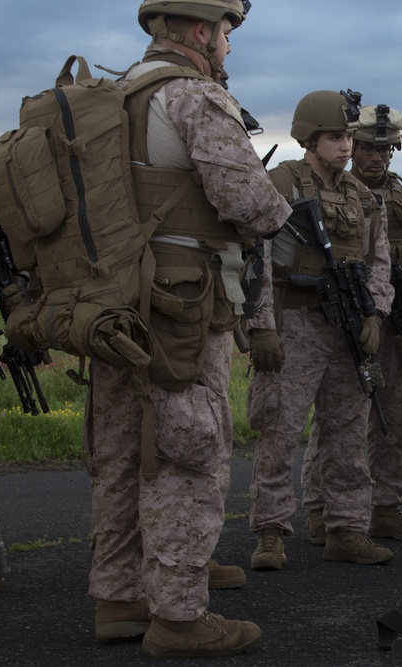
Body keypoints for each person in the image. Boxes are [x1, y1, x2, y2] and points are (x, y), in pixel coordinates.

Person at [89, 0, 291, 658]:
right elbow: (251, 203)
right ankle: (178, 613)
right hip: (180, 305)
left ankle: (119, 596)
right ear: (202, 30)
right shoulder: (194, 96)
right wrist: (283, 204)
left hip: (114, 302)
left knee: (121, 451)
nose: (229, 47)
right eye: (227, 33)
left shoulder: (109, 98)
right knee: (187, 452)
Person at [245, 89, 395, 569]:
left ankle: (347, 528)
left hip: (346, 327)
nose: (346, 146)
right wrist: (262, 325)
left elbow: (380, 262)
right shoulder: (281, 184)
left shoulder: (363, 197)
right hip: (296, 321)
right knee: (280, 431)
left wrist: (375, 314)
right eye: (334, 137)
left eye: (349, 136)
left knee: (348, 434)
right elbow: (257, 258)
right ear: (309, 138)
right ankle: (270, 533)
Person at [349, 104, 402, 543]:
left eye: (384, 149)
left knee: (393, 419)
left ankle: (386, 507)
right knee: (340, 418)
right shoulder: (338, 190)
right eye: (366, 149)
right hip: (348, 316)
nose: (376, 157)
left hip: (396, 318)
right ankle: (325, 511)